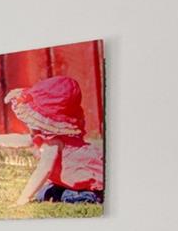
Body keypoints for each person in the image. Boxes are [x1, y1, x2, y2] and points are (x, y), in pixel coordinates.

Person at [7, 74, 105, 205]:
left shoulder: (54, 142)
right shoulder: (46, 136)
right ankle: (72, 192)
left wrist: (23, 199)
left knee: (69, 196)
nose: (29, 122)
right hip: (66, 182)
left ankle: (92, 196)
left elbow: (44, 169)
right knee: (44, 193)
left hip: (85, 184)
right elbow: (24, 140)